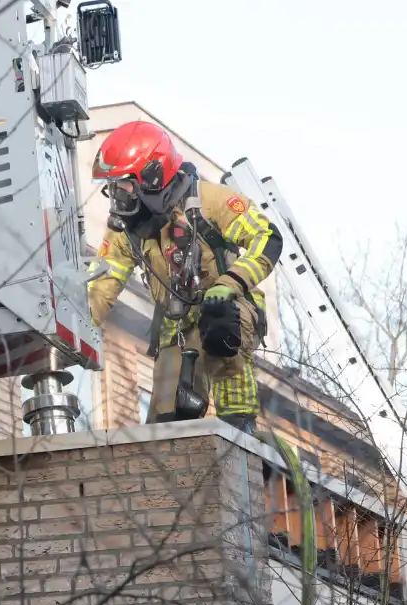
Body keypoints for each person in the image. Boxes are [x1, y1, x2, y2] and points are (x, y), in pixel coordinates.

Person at [86, 120, 284, 433]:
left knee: (219, 325)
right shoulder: (126, 228)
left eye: (122, 185)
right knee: (166, 421)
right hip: (176, 321)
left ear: (151, 175)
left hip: (230, 307)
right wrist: (77, 332)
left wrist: (230, 283)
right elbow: (103, 282)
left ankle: (240, 427)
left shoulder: (211, 201)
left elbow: (267, 238)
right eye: (111, 187)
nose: (115, 196)